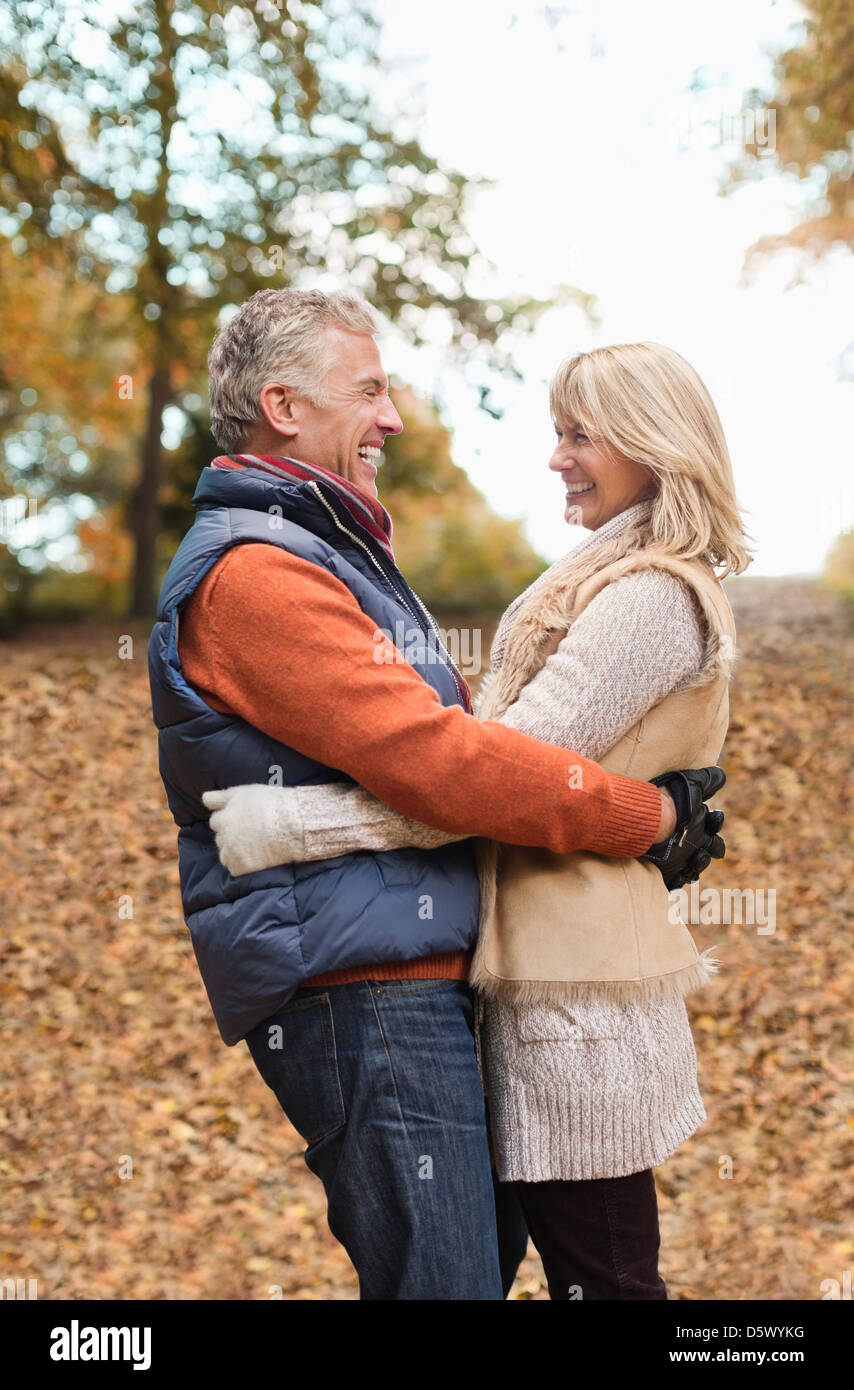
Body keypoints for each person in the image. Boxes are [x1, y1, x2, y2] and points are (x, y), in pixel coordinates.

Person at [148, 289, 725, 1300]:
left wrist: (300, 823)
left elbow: (464, 751)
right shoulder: (259, 573)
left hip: (408, 967)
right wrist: (645, 817)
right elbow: (453, 765)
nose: (393, 417)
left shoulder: (326, 550)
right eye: (368, 390)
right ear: (283, 406)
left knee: (470, 1272)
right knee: (450, 1281)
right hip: (356, 984)